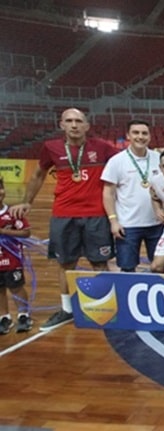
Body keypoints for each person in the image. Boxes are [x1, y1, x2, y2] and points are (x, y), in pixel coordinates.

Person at [10, 108, 117, 330]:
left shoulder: (102, 147)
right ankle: (67, 309)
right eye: (69, 121)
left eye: (79, 121)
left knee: (99, 262)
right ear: (62, 125)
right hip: (64, 213)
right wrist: (27, 201)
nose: (74, 125)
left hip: (96, 214)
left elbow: (126, 164)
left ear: (87, 126)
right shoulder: (51, 148)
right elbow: (39, 174)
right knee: (66, 263)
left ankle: (105, 308)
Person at [101, 119, 164, 273]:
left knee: (159, 266)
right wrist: (113, 221)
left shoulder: (159, 159)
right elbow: (108, 193)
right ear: (128, 136)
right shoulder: (117, 161)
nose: (140, 137)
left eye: (144, 133)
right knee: (127, 268)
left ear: (149, 136)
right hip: (128, 225)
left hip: (156, 224)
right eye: (136, 133)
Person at [0, 177, 33, 333]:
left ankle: (23, 315)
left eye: (0, 187)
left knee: (16, 287)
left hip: (12, 259)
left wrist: (4, 231)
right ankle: (4, 317)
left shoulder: (12, 213)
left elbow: (26, 232)